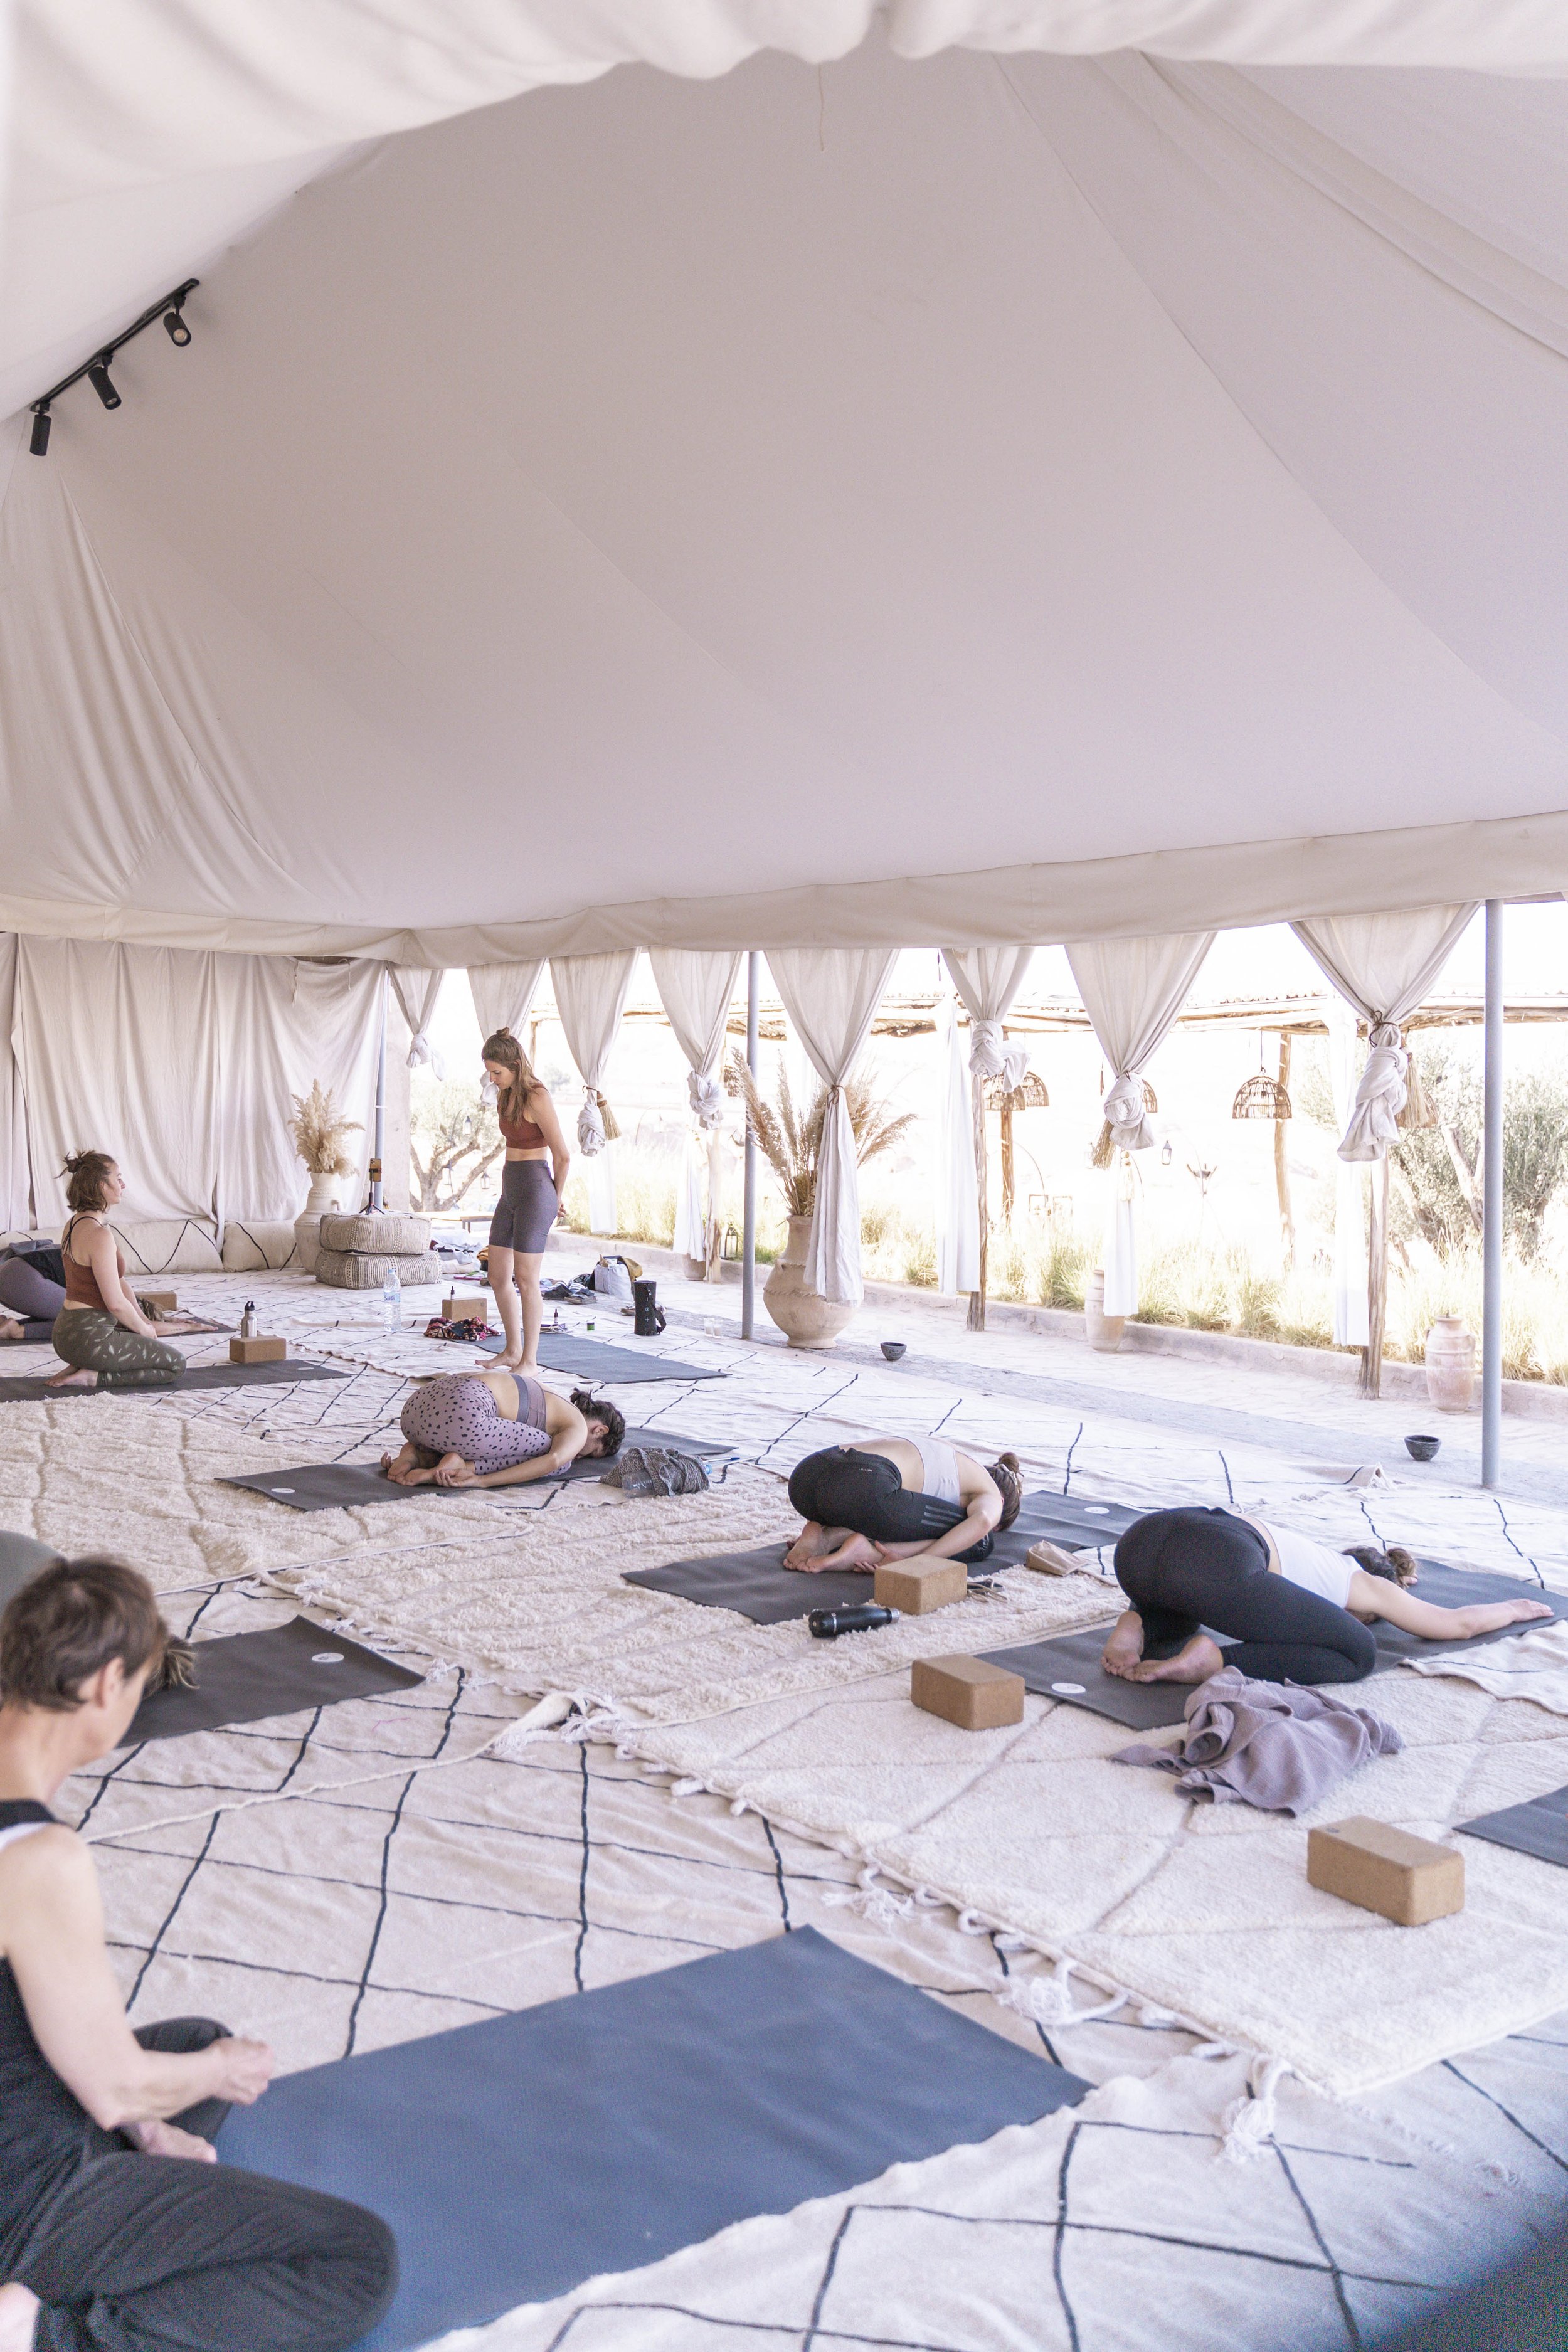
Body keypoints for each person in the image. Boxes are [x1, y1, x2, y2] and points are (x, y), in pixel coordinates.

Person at [0, 1556, 396, 2352]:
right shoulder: (34, 1855)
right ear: (110, 1684)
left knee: (190, 2038)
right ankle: (38, 2332)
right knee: (354, 2260)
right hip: (17, 2198)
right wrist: (214, 2079)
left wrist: (155, 2123)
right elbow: (115, 2089)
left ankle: (128, 2161)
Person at [1102, 1505, 1555, 1687]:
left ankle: (1138, 1622)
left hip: (1140, 1548)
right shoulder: (1364, 1583)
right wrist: (1515, 1606)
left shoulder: (1306, 1552)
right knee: (1358, 1653)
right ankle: (1212, 1663)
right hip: (1216, 1560)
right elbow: (1458, 1625)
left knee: (1186, 1610)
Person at [46, 1155, 186, 1392]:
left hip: (65, 1334)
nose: (123, 1186)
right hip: (91, 1340)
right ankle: (92, 1377)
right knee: (176, 1365)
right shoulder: (99, 1235)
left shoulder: (74, 1224)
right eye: (118, 1179)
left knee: (136, 1333)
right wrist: (146, 1331)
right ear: (102, 1186)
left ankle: (80, 1365)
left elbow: (116, 1287)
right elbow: (116, 1304)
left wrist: (143, 1322)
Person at [784, 1438, 1024, 1572]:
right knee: (980, 1541)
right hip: (865, 1483)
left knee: (896, 1509)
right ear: (1002, 1502)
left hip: (806, 1479)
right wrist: (913, 1565)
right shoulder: (991, 1493)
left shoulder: (951, 1455)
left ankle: (826, 1536)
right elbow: (982, 1522)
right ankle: (871, 1553)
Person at [479, 1028, 570, 1376]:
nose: (492, 1078)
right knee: (498, 1275)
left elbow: (563, 1156)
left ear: (516, 1066)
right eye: (490, 1071)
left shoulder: (537, 1096)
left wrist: (555, 1198)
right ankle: (512, 1349)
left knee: (527, 1279)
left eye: (497, 1072)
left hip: (535, 1190)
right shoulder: (505, 1096)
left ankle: (529, 1361)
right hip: (510, 1189)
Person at [381, 1374, 625, 1490]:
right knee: (560, 1461)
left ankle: (418, 1454)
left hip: (414, 1412)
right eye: (591, 1453)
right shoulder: (579, 1427)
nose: (582, 1456)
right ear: (599, 1431)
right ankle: (463, 1468)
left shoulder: (551, 1397)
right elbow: (553, 1460)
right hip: (464, 1413)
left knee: (503, 1437)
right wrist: (481, 1482)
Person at [0, 1244, 67, 1340]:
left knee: (63, 1312)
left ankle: (8, 1326)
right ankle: (18, 1332)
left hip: (10, 1269)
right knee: (86, 1318)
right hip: (26, 1280)